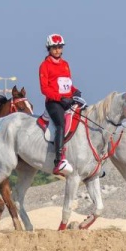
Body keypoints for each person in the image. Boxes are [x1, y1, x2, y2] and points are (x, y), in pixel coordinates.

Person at [39, 34, 82, 176]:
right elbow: (44, 89)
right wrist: (60, 98)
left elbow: (68, 84)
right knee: (60, 124)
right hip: (53, 103)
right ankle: (58, 161)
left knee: (83, 118)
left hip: (67, 101)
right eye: (54, 48)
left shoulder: (65, 64)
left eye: (59, 47)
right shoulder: (44, 66)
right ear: (49, 49)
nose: (57, 50)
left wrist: (75, 91)